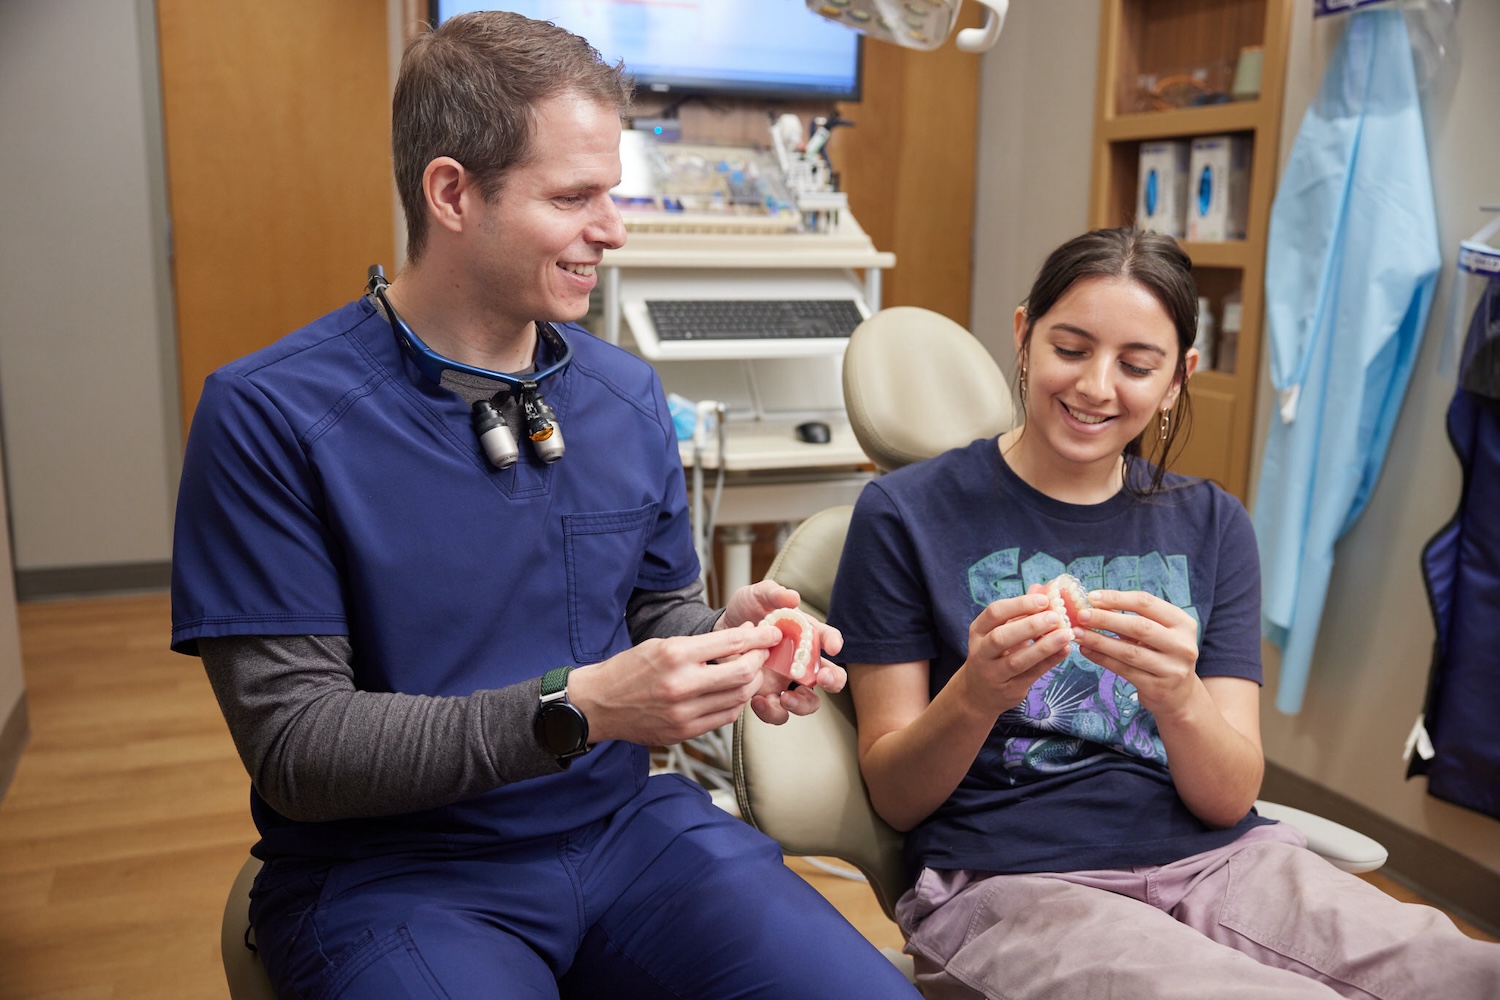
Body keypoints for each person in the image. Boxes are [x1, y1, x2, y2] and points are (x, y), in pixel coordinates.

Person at [171, 12, 918, 999]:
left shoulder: (622, 398)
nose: (611, 228)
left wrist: (724, 642)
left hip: (625, 835)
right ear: (453, 194)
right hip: (391, 874)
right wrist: (582, 709)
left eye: (612, 191)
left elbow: (654, 615)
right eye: (574, 197)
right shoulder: (272, 415)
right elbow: (301, 748)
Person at [827, 227, 1500, 998]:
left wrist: (1178, 696)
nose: (1096, 387)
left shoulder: (1212, 524)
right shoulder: (904, 515)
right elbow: (895, 794)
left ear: (1177, 378)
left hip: (1222, 860)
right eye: (1070, 349)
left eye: (1136, 365)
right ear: (1023, 336)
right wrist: (978, 693)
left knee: (1471, 972)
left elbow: (1229, 793)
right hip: (1010, 878)